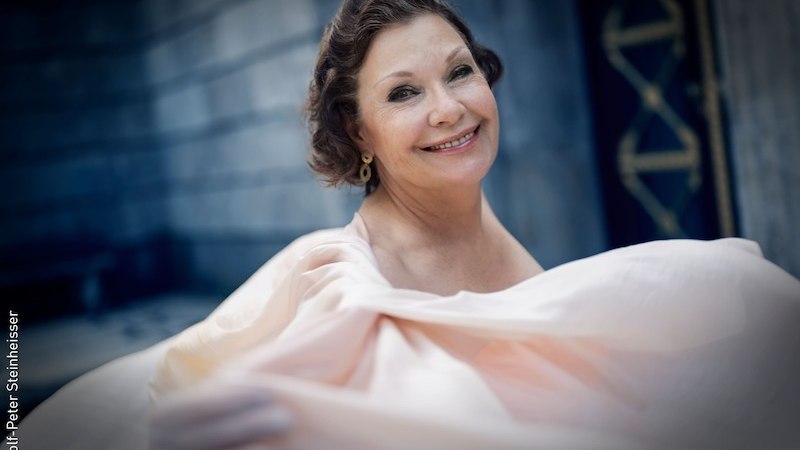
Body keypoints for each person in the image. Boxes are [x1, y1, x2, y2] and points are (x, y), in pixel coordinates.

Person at [11, 0, 799, 449]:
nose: (450, 108)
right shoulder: (341, 283)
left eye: (459, 71)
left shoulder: (486, 229)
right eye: (403, 93)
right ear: (359, 134)